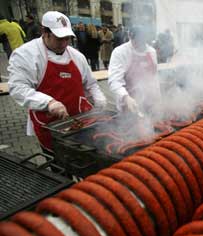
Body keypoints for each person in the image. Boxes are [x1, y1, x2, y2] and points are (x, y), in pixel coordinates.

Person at [7, 11, 106, 152]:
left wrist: (99, 98)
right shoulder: (26, 54)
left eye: (68, 38)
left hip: (80, 118)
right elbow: (18, 88)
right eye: (59, 38)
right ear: (44, 32)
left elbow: (90, 83)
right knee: (59, 163)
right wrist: (49, 103)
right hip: (50, 123)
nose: (64, 43)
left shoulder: (77, 56)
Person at [108, 25, 161, 116]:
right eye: (135, 41)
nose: (139, 44)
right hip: (129, 103)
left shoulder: (152, 52)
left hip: (149, 102)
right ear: (130, 37)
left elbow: (154, 77)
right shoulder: (120, 52)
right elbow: (114, 81)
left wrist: (158, 98)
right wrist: (126, 97)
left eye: (142, 41)